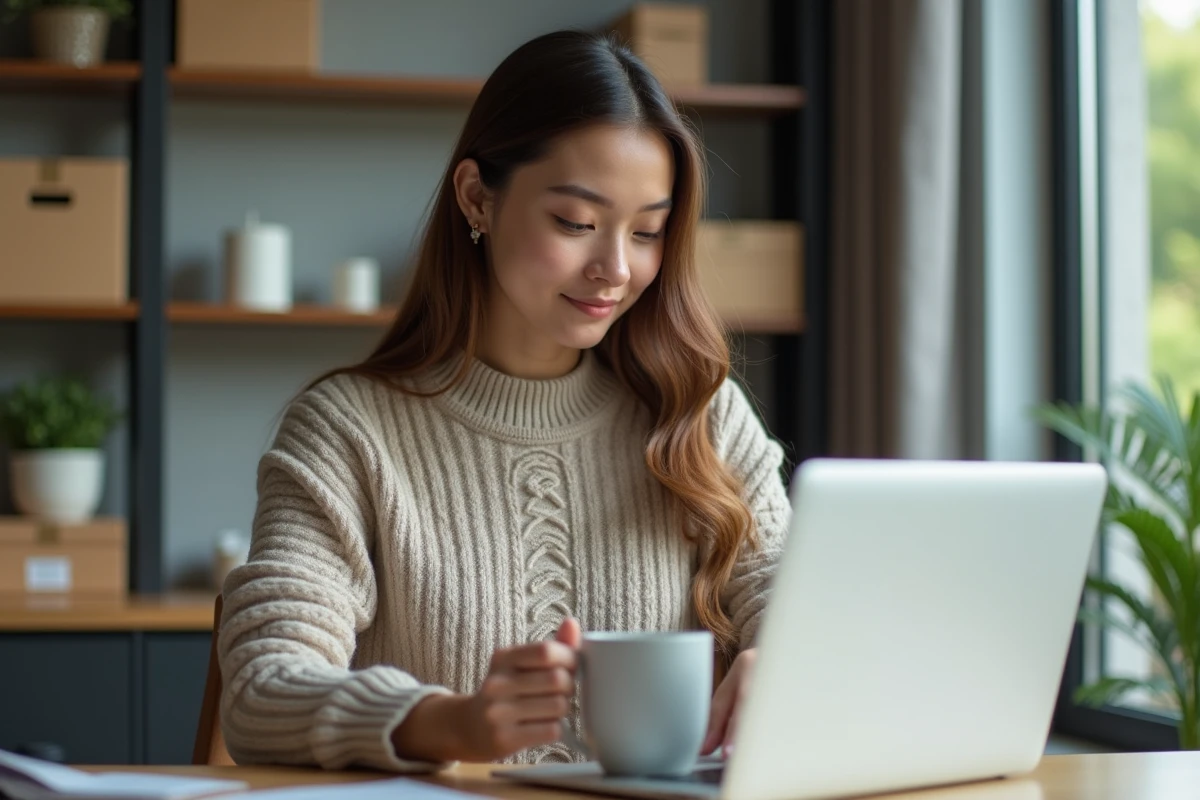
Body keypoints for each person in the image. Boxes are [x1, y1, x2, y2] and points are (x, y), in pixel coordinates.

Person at [217, 29, 791, 772]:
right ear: (476, 198)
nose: (614, 269)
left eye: (647, 231)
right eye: (576, 224)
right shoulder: (348, 432)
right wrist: (450, 723)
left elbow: (791, 590)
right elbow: (263, 689)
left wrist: (788, 654)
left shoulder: (699, 413)